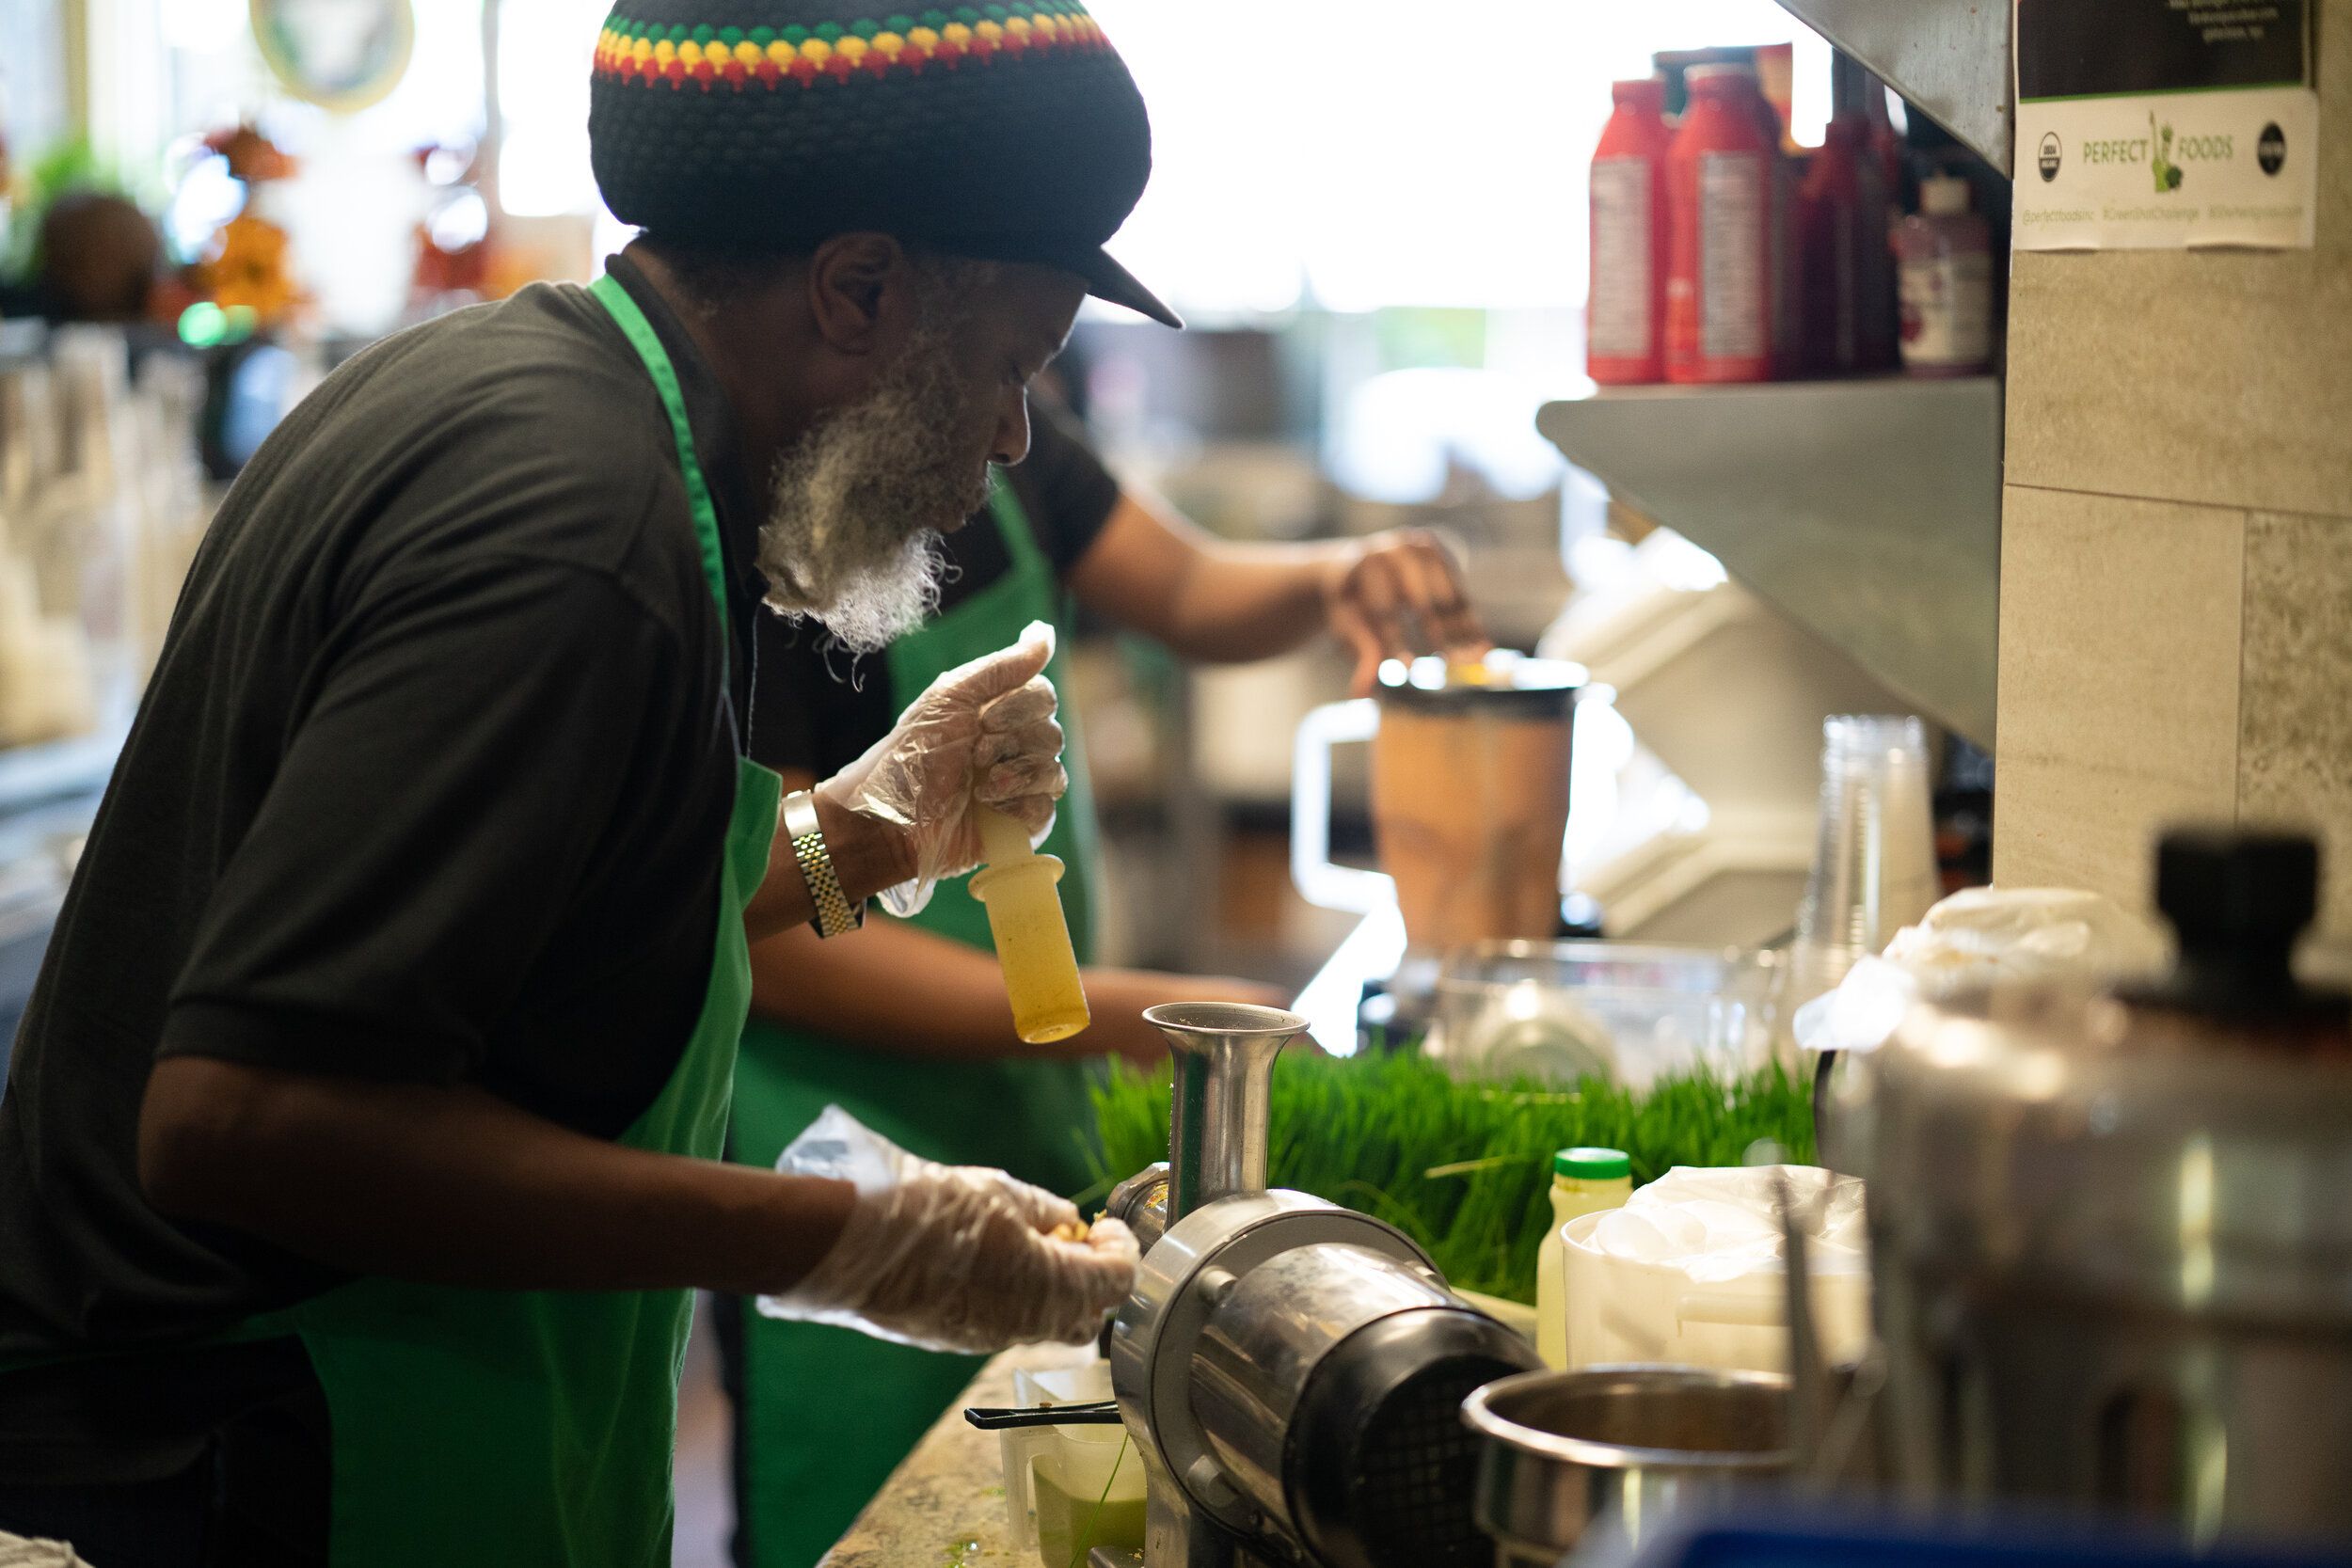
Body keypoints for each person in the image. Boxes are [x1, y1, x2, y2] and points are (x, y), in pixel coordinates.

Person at [0, 3, 1176, 1561]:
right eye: (1012, 367)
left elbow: (556, 905)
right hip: (266, 1458)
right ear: (859, 288)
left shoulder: (575, 413)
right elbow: (246, 1111)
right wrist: (849, 1241)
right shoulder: (577, 530)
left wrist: (866, 829)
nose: (1017, 437)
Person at [723, 397, 1488, 1565]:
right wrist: (1124, 1013)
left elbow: (1183, 588)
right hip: (848, 1128)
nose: (1023, 428)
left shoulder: (994, 429)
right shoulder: (774, 527)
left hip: (1033, 1076)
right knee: (880, 1511)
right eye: (1009, 362)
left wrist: (1340, 574)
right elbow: (766, 935)